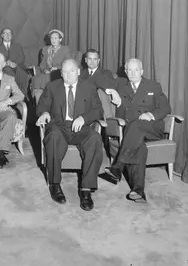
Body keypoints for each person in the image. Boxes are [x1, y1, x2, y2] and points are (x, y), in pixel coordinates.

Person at [36, 59, 104, 211]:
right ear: (61, 73)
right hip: (59, 126)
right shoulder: (52, 87)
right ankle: (55, 184)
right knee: (53, 137)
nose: (68, 75)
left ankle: (86, 189)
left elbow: (98, 110)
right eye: (65, 72)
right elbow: (42, 106)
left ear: (78, 71)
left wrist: (84, 118)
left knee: (95, 138)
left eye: (72, 71)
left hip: (81, 127)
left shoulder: (89, 87)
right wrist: (45, 113)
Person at [103, 58, 171, 203]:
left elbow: (165, 108)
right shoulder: (120, 84)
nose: (133, 73)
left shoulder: (153, 86)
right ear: (125, 71)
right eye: (130, 70)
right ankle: (138, 190)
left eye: (136, 70)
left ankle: (118, 165)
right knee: (139, 147)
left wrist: (151, 114)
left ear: (142, 71)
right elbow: (97, 79)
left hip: (152, 128)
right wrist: (112, 91)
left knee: (136, 126)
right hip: (131, 133)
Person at [32, 29, 73, 104]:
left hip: (59, 73)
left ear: (60, 39)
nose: (53, 40)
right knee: (35, 78)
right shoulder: (46, 49)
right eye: (51, 38)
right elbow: (42, 64)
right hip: (47, 73)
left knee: (44, 78)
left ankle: (45, 96)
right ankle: (37, 99)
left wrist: (57, 68)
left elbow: (68, 63)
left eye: (55, 38)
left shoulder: (65, 49)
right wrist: (44, 70)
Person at [0, 27, 30, 96]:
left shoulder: (18, 46)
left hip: (18, 67)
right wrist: (7, 63)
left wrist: (15, 63)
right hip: (5, 68)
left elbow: (22, 57)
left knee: (23, 74)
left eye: (10, 33)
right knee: (7, 70)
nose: (8, 35)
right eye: (6, 33)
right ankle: (12, 94)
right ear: (2, 35)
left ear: (12, 36)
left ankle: (22, 95)